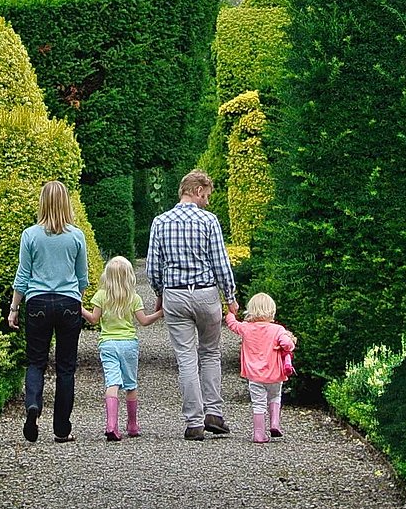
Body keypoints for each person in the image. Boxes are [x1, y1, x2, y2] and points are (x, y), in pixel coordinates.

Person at [145, 168, 237, 440]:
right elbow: (221, 263)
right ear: (197, 191)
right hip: (206, 294)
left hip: (175, 295)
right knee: (210, 353)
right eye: (207, 195)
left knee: (186, 358)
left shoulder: (160, 222)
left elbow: (153, 267)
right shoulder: (209, 221)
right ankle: (214, 413)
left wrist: (159, 293)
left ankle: (194, 423)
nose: (208, 201)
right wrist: (230, 298)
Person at [7, 180, 90, 443]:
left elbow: (23, 275)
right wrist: (76, 299)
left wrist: (14, 308)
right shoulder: (76, 236)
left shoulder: (30, 235)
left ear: (42, 202)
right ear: (66, 203)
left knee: (36, 361)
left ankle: (33, 405)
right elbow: (83, 277)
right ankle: (62, 429)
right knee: (66, 368)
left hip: (38, 303)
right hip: (67, 303)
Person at [80, 255, 163, 440]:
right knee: (131, 384)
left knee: (112, 383)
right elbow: (144, 321)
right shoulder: (133, 297)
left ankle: (111, 424)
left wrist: (79, 308)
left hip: (108, 343)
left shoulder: (101, 295)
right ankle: (132, 425)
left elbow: (93, 319)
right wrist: (160, 313)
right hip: (128, 344)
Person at [223, 292, 297, 443]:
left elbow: (232, 324)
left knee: (258, 403)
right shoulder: (278, 329)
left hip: (254, 375)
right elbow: (288, 345)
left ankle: (259, 434)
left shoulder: (246, 328)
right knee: (275, 397)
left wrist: (230, 312)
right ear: (272, 311)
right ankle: (275, 423)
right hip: (275, 374)